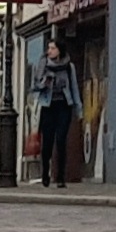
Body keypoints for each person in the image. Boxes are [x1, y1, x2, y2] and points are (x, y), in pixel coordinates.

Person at [35, 50, 80, 189]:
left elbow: (74, 87)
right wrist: (45, 82)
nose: (49, 51)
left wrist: (79, 108)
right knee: (47, 143)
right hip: (48, 106)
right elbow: (36, 86)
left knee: (61, 140)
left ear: (59, 50)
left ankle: (61, 177)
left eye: (53, 48)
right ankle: (45, 174)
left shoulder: (68, 66)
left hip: (64, 106)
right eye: (49, 48)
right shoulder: (43, 65)